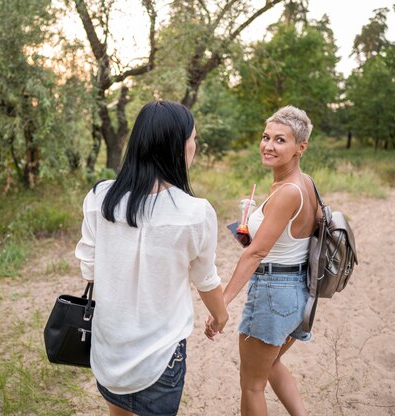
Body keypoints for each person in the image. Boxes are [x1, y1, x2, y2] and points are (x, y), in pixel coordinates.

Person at [75, 100, 229, 416]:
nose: (195, 146)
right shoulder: (196, 212)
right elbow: (205, 280)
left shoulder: (99, 197)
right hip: (161, 353)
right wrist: (221, 316)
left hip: (109, 348)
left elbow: (89, 269)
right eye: (193, 139)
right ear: (179, 147)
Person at [206, 106, 317, 416]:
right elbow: (301, 233)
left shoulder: (287, 192)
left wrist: (222, 305)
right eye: (266, 137)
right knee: (272, 364)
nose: (269, 145)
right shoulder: (305, 184)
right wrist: (256, 219)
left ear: (300, 147)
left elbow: (255, 253)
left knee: (252, 385)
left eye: (280, 140)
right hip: (299, 293)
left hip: (273, 293)